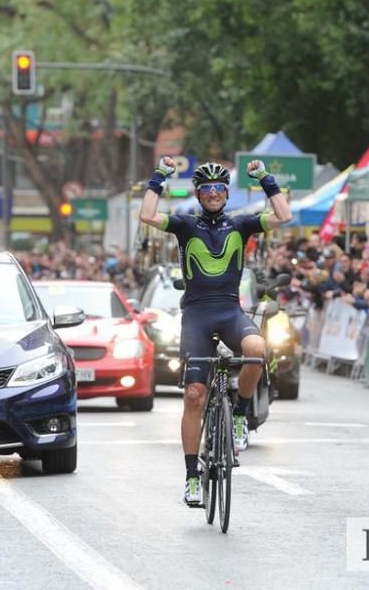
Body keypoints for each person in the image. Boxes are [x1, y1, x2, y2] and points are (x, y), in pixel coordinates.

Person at [138, 157, 292, 506]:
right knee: (194, 394)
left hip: (229, 311)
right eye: (205, 188)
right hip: (196, 315)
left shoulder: (240, 225)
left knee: (256, 348)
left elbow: (284, 215)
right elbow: (147, 215)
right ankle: (192, 475)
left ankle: (239, 414)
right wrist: (160, 176)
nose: (212, 193)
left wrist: (265, 178)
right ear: (198, 192)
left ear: (226, 193)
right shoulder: (184, 225)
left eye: (218, 188)